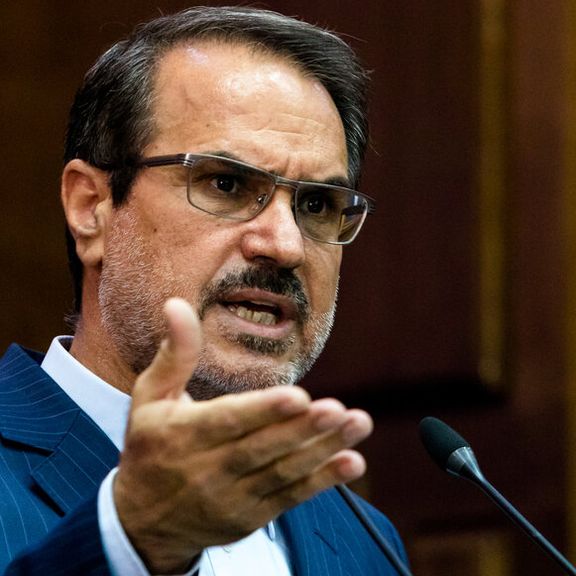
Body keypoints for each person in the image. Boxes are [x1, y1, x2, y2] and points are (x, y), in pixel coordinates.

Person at [0, 6, 408, 575]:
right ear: (92, 208)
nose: (285, 245)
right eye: (226, 184)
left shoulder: (365, 540)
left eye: (317, 203)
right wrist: (134, 539)